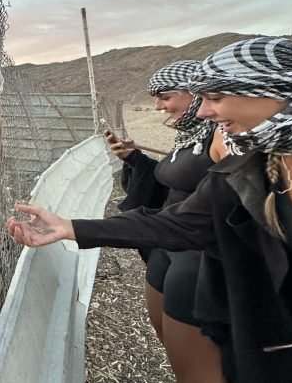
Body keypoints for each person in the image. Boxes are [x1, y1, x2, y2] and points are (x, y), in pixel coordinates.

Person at [8, 37, 292, 382]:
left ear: (278, 91)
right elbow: (179, 224)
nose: (203, 112)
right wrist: (70, 227)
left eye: (215, 97)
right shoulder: (255, 165)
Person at [107, 60, 229, 383]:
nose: (158, 106)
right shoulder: (190, 133)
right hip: (167, 247)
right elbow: (176, 184)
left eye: (165, 96)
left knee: (199, 370)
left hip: (197, 259)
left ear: (196, 93)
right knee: (177, 356)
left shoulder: (223, 136)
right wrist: (134, 160)